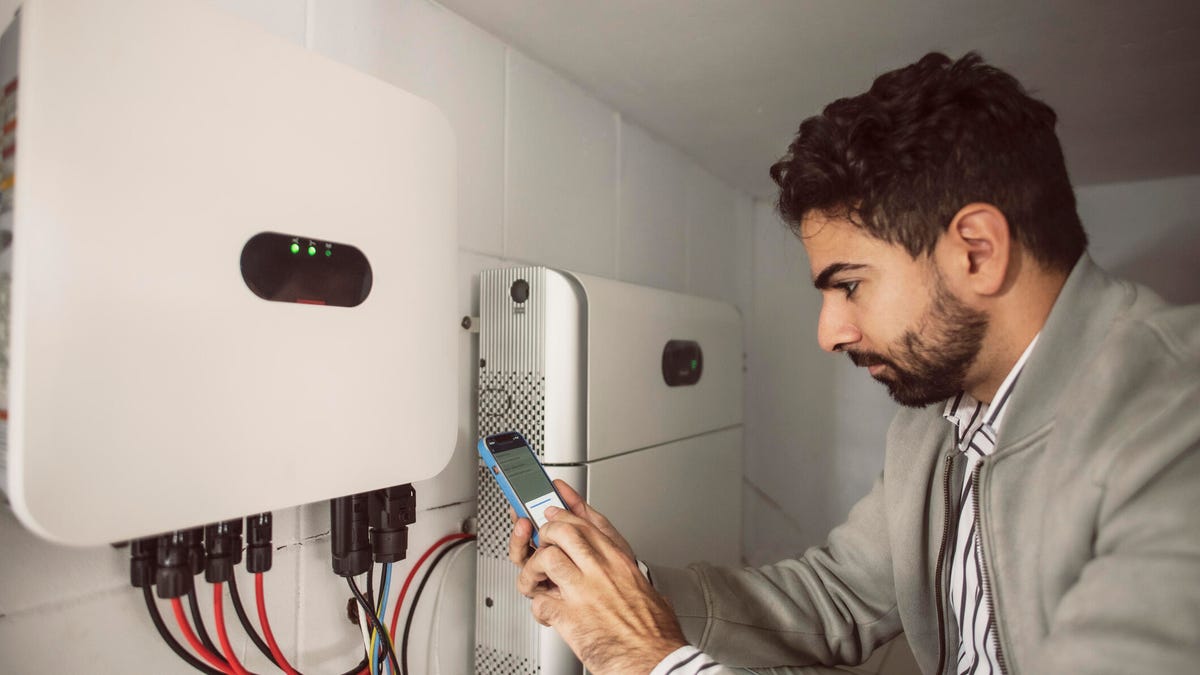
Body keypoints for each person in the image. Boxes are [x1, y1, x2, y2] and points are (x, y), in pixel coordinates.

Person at [506, 52, 1200, 674]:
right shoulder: (939, 417)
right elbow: (837, 594)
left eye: (849, 284)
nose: (830, 332)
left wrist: (646, 659)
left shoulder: (1175, 416)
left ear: (977, 251)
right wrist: (631, 587)